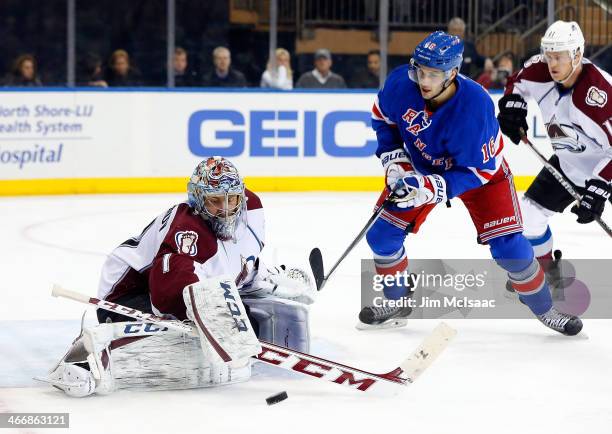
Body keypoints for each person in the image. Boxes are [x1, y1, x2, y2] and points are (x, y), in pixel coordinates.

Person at [360, 31, 582, 336]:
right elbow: (382, 118)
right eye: (420, 71)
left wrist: (435, 188)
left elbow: (481, 170)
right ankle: (398, 301)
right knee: (381, 237)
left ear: (452, 73)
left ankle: (546, 309)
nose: (424, 80)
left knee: (510, 249)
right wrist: (396, 161)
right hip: (422, 169)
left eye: (434, 74)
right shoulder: (402, 83)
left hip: (480, 177)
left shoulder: (475, 106)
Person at [39, 157, 316, 397]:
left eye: (232, 199)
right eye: (215, 201)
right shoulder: (189, 233)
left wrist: (269, 280)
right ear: (197, 199)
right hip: (128, 292)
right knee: (184, 334)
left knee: (240, 314)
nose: (227, 208)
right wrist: (214, 320)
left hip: (175, 284)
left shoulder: (250, 208)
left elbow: (241, 261)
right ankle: (86, 359)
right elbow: (166, 294)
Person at [497, 21, 611, 284]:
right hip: (569, 164)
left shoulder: (599, 95)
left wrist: (598, 188)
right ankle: (544, 273)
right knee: (530, 217)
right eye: (549, 56)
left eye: (558, 57)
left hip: (605, 169)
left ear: (577, 55)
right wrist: (513, 106)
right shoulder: (540, 68)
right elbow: (517, 82)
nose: (552, 63)